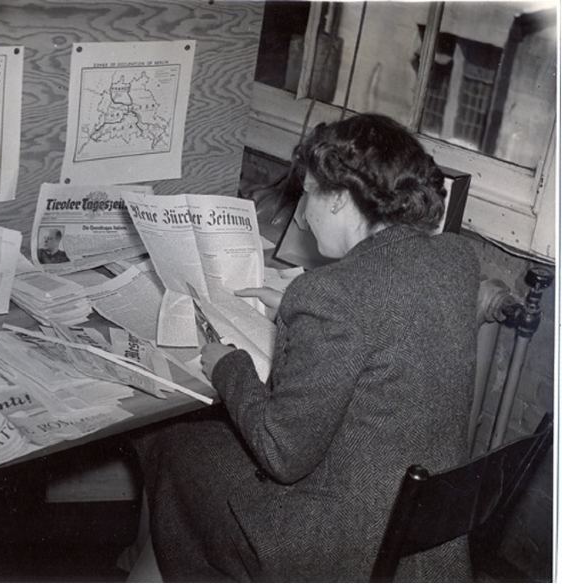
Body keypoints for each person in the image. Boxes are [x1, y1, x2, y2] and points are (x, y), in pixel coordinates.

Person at [130, 113, 479, 581]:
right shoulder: (457, 261)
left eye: (309, 192)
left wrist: (228, 366)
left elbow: (282, 455)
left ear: (339, 199)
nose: (303, 211)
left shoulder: (329, 296)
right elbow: (392, 316)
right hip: (426, 537)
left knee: (171, 444)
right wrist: (299, 314)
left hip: (335, 552)